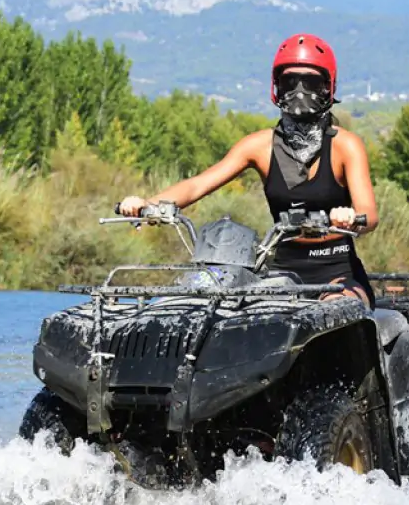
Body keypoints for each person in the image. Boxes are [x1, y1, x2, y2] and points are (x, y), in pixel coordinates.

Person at [118, 33, 379, 309]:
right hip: (282, 273)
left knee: (336, 312)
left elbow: (370, 215)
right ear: (276, 87)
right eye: (290, 81)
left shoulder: (345, 145)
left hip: (339, 273)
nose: (300, 91)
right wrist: (147, 205)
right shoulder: (260, 146)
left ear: (328, 87)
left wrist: (351, 218)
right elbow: (198, 184)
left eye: (311, 82)